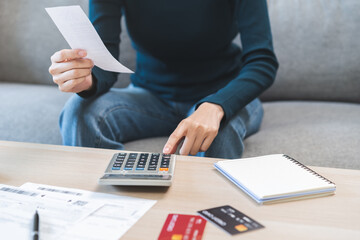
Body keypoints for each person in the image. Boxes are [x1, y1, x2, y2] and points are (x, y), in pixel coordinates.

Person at [49, 0, 278, 159]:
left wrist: (217, 106)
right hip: (149, 97)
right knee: (78, 113)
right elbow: (104, 65)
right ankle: (103, 209)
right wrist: (86, 80)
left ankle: (205, 219)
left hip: (222, 93)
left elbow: (262, 62)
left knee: (215, 132)